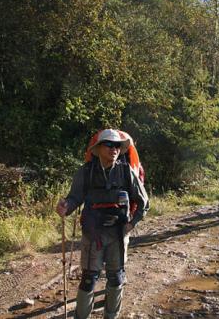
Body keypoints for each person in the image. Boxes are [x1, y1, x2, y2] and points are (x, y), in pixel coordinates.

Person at [56, 129, 149, 319]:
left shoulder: (126, 171)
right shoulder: (86, 172)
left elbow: (143, 201)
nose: (114, 149)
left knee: (116, 278)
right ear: (98, 149)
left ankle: (111, 316)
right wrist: (66, 207)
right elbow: (75, 197)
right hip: (93, 234)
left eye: (117, 146)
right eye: (109, 145)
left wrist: (131, 224)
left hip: (118, 233)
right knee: (89, 279)